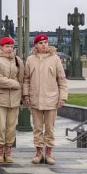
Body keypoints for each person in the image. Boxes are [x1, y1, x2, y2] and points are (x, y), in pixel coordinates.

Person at [23, 34, 68, 165]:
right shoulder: (31, 60)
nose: (44, 45)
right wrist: (26, 95)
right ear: (36, 45)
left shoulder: (55, 59)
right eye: (41, 43)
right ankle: (38, 153)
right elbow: (26, 79)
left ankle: (48, 153)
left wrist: (62, 97)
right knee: (37, 128)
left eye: (46, 42)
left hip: (51, 99)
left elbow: (62, 79)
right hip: (35, 99)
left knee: (49, 128)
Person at [0, 36, 24, 164]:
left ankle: (8, 151)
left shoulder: (18, 60)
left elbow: (21, 78)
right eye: (7, 46)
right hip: (0, 98)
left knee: (11, 127)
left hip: (14, 99)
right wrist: (14, 84)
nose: (9, 49)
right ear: (1, 47)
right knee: (1, 126)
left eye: (11, 46)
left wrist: (22, 93)